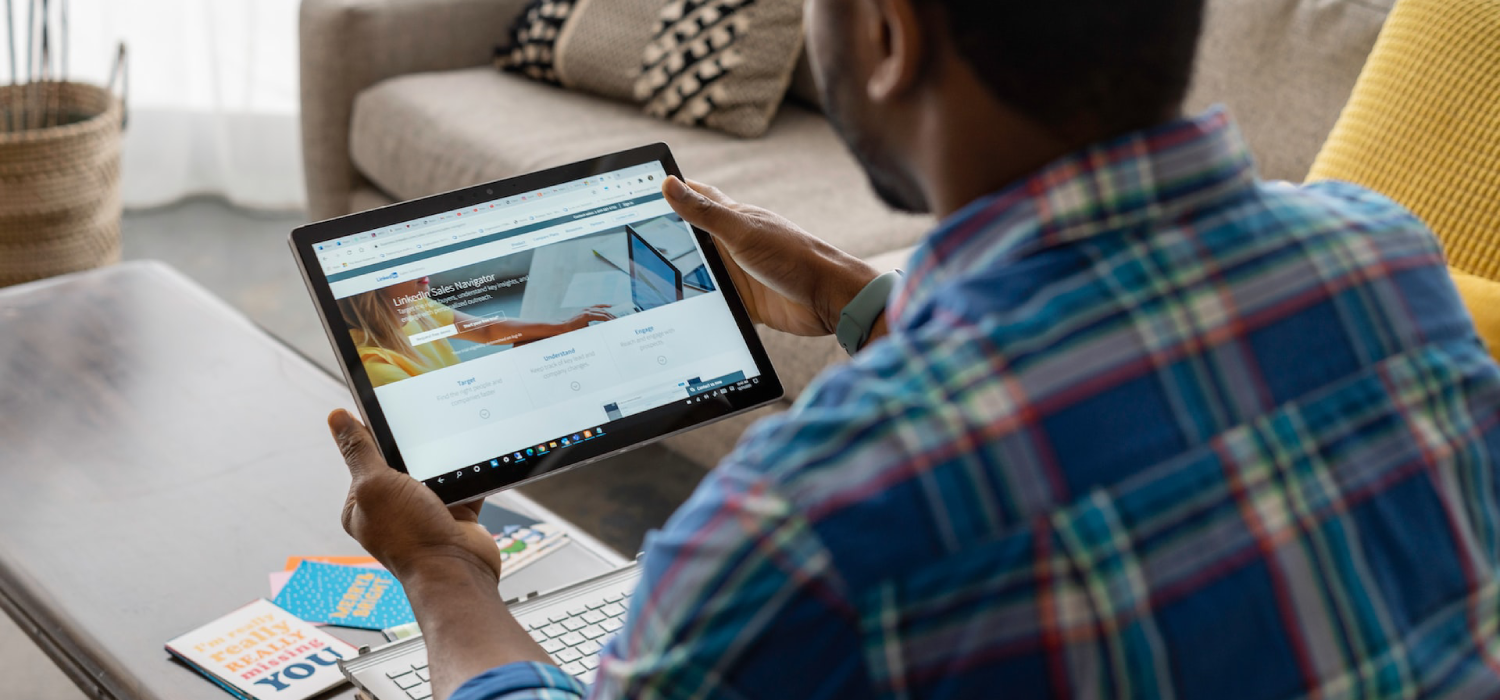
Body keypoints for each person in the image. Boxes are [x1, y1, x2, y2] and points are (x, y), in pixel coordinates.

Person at [327, 0, 1500, 697]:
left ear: (888, 35)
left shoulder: (799, 533)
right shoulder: (1384, 262)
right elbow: (1115, 392)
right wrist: (859, 296)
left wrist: (446, 576)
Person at [339, 275, 613, 387]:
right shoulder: (374, 365)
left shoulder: (413, 305)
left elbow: (485, 331)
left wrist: (562, 327)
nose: (420, 270)